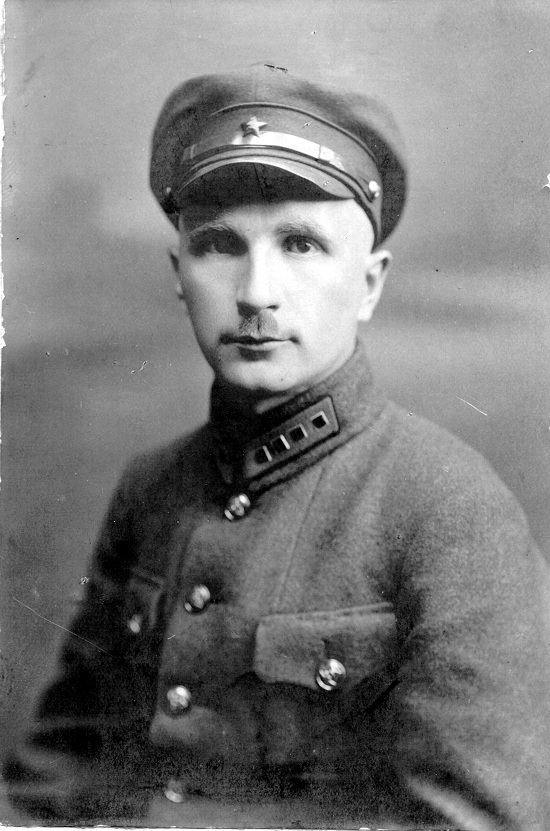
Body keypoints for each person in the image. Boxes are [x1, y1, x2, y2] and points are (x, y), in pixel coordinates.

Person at [4, 64, 550, 830]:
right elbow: (54, 782)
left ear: (370, 284)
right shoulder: (151, 487)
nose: (257, 292)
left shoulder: (449, 510)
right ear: (179, 274)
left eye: (300, 244)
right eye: (219, 244)